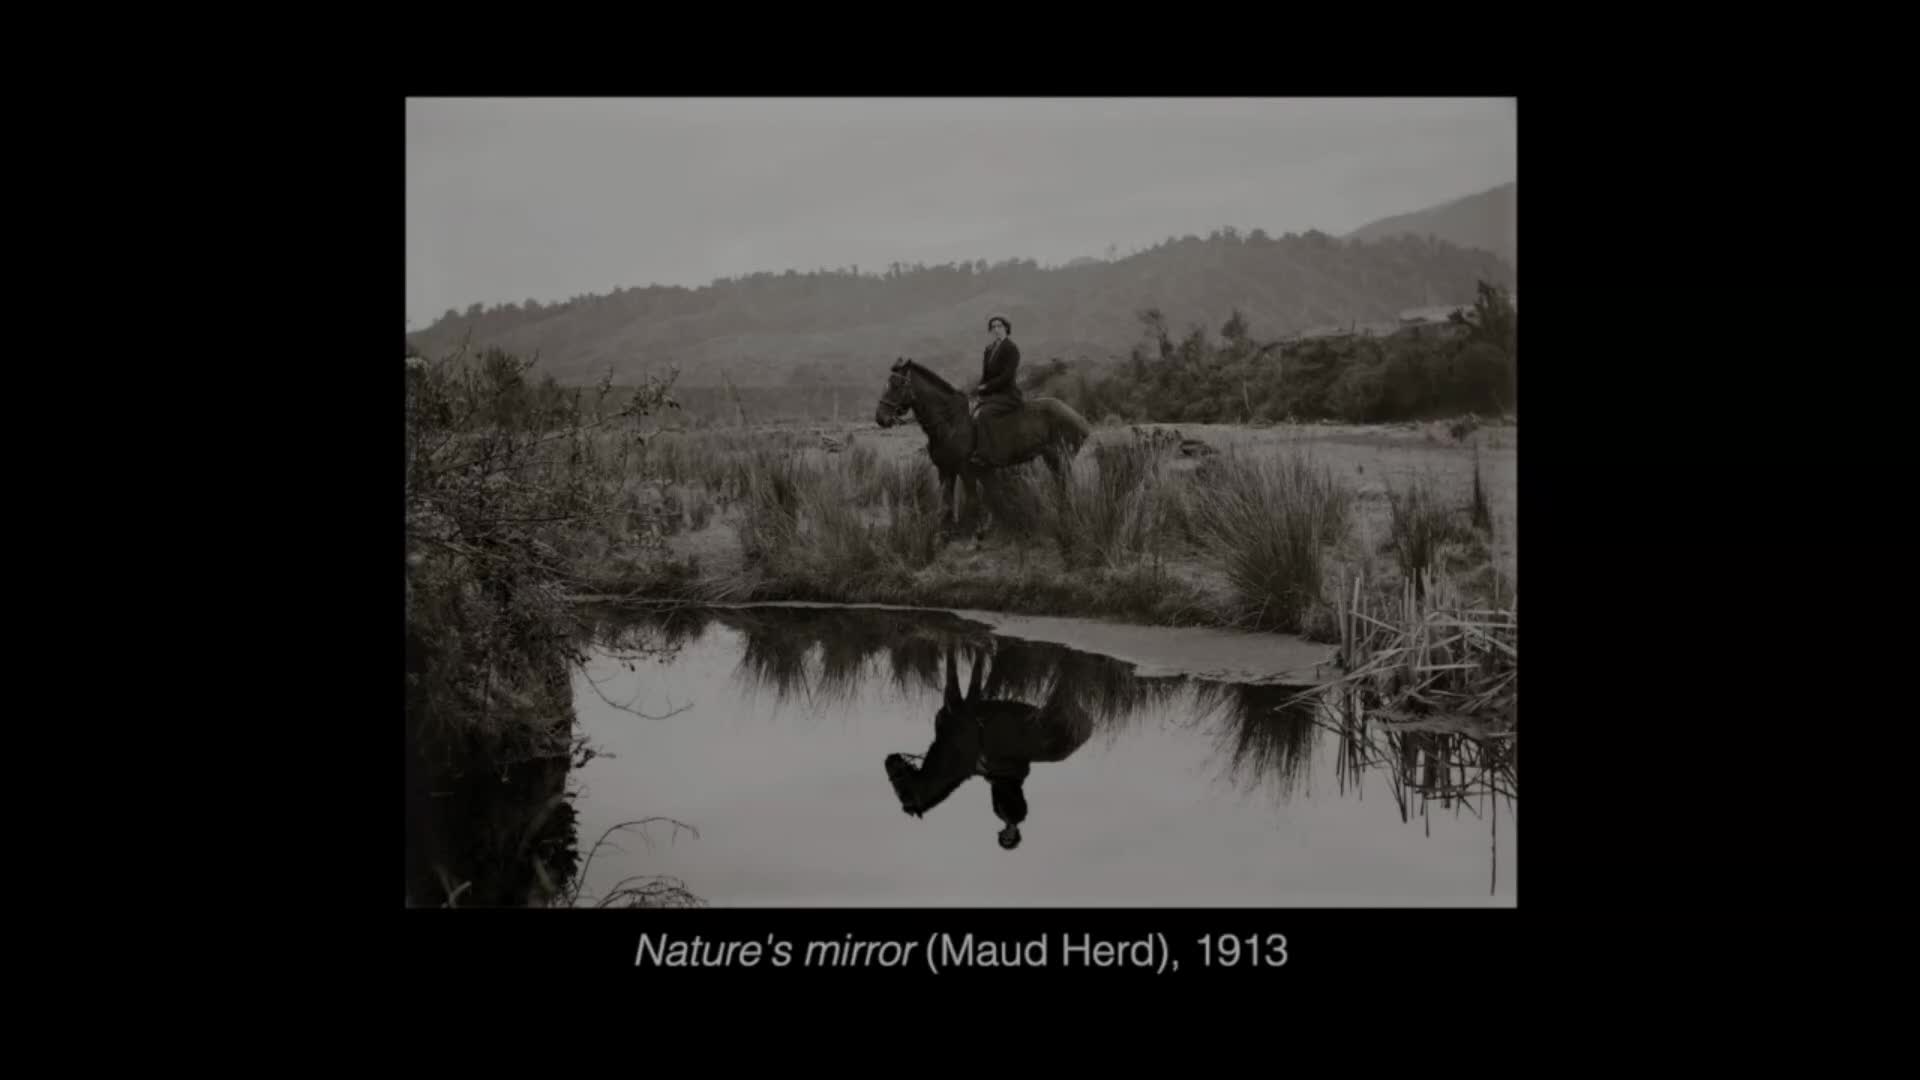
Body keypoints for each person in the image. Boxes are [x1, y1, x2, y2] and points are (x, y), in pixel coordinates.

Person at [967, 315, 1023, 468]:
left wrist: (987, 387)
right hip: (993, 394)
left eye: (999, 326)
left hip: (1008, 395)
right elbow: (985, 376)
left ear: (1006, 328)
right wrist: (979, 391)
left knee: (985, 414)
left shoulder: (1011, 348)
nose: (996, 329)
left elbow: (1007, 376)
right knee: (972, 412)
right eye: (993, 327)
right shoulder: (989, 350)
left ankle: (985, 455)